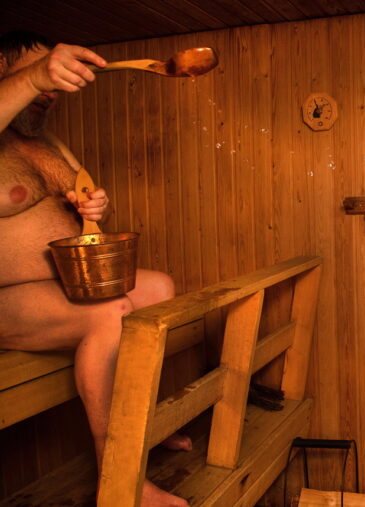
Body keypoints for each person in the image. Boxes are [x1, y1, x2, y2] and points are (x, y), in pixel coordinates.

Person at [0, 31, 190, 507]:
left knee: (158, 287)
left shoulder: (45, 143)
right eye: (34, 76)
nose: (48, 91)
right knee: (108, 313)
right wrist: (37, 74)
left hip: (61, 284)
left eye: (52, 80)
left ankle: (140, 425)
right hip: (9, 301)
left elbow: (81, 200)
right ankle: (121, 477)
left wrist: (92, 208)